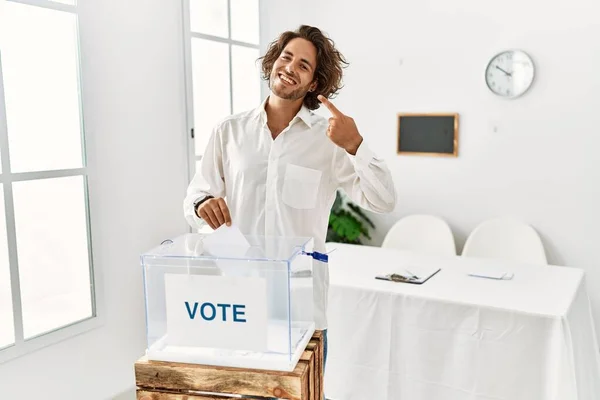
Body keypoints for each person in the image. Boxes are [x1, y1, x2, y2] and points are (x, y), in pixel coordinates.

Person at [182, 25, 396, 398]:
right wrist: (203, 204)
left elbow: (383, 200)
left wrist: (356, 145)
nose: (289, 68)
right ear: (272, 63)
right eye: (285, 57)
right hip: (236, 297)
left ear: (314, 84)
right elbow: (195, 197)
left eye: (303, 65)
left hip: (300, 303)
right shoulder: (229, 132)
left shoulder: (327, 142)